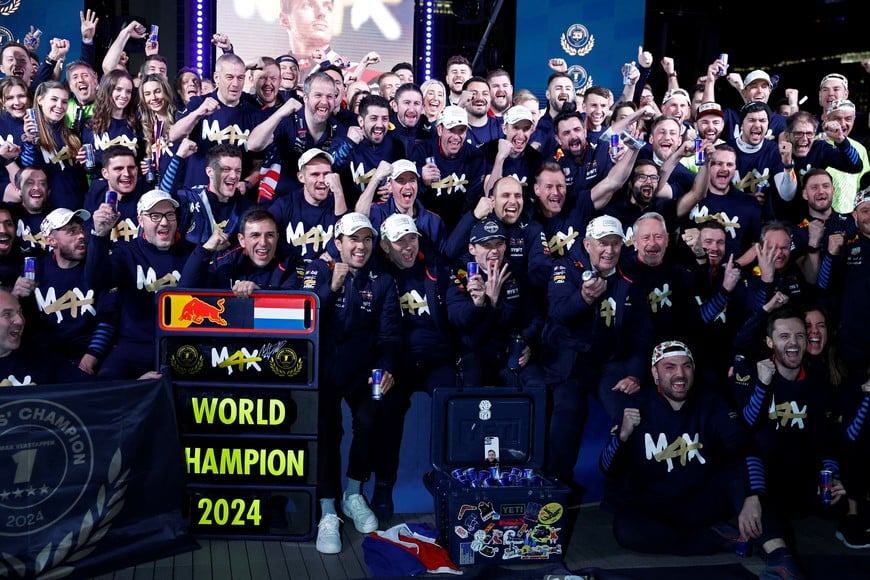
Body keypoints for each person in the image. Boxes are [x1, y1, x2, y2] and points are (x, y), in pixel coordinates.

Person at [599, 340, 803, 578]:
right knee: (627, 530)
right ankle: (724, 540)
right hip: (655, 504)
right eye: (670, 367)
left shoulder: (710, 402)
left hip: (701, 499)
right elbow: (608, 469)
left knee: (742, 476)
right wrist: (622, 436)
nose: (680, 374)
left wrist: (752, 495)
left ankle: (781, 558)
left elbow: (744, 446)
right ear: (655, 372)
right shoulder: (636, 405)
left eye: (686, 366)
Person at [300, 212, 401, 554]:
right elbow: (305, 321)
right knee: (327, 431)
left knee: (371, 420)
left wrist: (386, 368)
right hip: (324, 370)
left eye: (367, 239)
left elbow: (389, 336)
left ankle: (353, 493)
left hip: (365, 371)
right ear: (338, 242)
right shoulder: (317, 270)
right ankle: (328, 510)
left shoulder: (383, 280)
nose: (360, 246)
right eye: (353, 239)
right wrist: (330, 288)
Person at [541, 215, 652, 496]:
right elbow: (558, 312)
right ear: (588, 244)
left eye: (615, 243)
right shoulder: (565, 268)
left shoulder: (629, 276)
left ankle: (629, 490)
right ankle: (555, 488)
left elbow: (642, 332)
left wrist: (636, 372)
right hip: (570, 361)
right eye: (603, 243)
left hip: (611, 362)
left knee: (630, 412)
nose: (610, 250)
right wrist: (585, 298)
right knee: (567, 413)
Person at [733, 309, 846, 555]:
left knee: (836, 505)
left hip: (797, 474)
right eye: (784, 336)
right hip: (762, 474)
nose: (793, 342)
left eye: (799, 336)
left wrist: (833, 477)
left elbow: (826, 439)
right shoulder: (752, 371)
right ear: (770, 342)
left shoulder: (817, 382)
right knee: (759, 441)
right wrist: (762, 385)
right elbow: (747, 428)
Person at [368, 213, 456, 520]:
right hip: (399, 361)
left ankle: (448, 479)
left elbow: (457, 313)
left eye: (412, 238)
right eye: (399, 241)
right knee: (388, 412)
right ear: (385, 246)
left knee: (454, 404)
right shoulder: (377, 275)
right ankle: (383, 485)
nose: (407, 247)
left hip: (436, 358)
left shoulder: (435, 268)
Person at [86, 189, 204, 379]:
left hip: (181, 344)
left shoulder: (194, 254)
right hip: (135, 345)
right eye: (155, 216)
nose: (164, 222)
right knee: (105, 384)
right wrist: (100, 236)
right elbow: (96, 281)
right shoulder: (125, 252)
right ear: (140, 220)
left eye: (169, 215)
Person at [446, 217, 544, 388]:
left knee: (537, 384)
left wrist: (527, 343)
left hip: (508, 352)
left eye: (499, 244)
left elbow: (535, 316)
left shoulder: (514, 271)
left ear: (505, 246)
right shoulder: (459, 273)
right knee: (472, 376)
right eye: (486, 245)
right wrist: (487, 303)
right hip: (475, 353)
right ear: (472, 248)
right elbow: (463, 327)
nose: (494, 251)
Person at [247, 71, 343, 203]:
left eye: (329, 96)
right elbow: (253, 145)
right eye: (318, 95)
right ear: (305, 97)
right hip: (278, 201)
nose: (324, 102)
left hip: (315, 205)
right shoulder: (287, 119)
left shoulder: (338, 129)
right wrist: (279, 113)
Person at [170, 53, 262, 188]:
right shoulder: (199, 102)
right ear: (217, 78)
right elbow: (173, 135)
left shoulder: (253, 111)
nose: (236, 84)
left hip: (234, 197)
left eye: (240, 78)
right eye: (229, 77)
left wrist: (247, 183)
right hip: (199, 194)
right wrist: (198, 113)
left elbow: (259, 162)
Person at [182, 207, 301, 295]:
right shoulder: (225, 261)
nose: (263, 242)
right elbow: (184, 291)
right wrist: (206, 249)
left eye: (269, 235)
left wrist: (260, 292)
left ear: (277, 237)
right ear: (242, 240)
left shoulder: (291, 262)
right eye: (255, 235)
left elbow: (296, 299)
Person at [412, 105, 486, 231]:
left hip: (462, 224)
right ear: (440, 130)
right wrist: (422, 181)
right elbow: (409, 195)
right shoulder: (422, 151)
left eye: (461, 130)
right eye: (451, 130)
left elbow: (473, 200)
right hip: (427, 224)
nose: (456, 137)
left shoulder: (476, 157)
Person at [268, 148, 346, 264]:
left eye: (326, 174)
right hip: (291, 273)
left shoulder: (338, 203)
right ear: (301, 177)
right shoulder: (285, 205)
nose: (322, 180)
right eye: (315, 174)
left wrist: (339, 193)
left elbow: (349, 235)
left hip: (326, 274)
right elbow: (263, 231)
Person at [354, 159, 446, 254]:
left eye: (412, 180)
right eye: (401, 181)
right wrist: (376, 178)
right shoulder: (379, 212)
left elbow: (441, 260)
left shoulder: (433, 221)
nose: (407, 186)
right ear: (389, 186)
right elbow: (359, 218)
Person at [170, 144, 253, 246]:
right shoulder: (190, 198)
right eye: (226, 169)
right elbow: (163, 196)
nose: (233, 176)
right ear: (210, 172)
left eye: (238, 171)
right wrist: (179, 157)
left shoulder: (247, 208)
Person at [81, 69, 140, 170]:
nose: (124, 95)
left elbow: (141, 162)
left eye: (128, 91)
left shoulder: (137, 124)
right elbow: (87, 166)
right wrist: (82, 160)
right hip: (101, 183)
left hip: (130, 183)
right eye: (118, 89)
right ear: (108, 90)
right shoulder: (89, 124)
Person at [278, 0, 343, 82]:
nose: (322, 13)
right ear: (284, 19)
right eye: (308, 5)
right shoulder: (271, 76)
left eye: (328, 7)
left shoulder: (353, 74)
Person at [462, 76, 502, 148]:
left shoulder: (502, 125)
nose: (480, 98)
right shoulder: (455, 128)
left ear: (490, 98)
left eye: (485, 94)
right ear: (463, 97)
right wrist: (460, 105)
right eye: (474, 93)